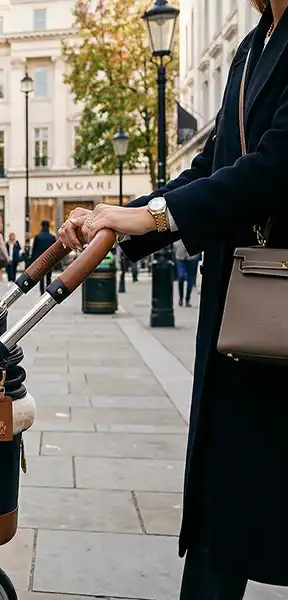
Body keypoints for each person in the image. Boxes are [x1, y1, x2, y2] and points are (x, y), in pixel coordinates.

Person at [59, 1, 288, 595]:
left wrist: (147, 218)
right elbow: (215, 165)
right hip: (244, 303)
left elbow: (272, 170)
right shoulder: (253, 44)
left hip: (275, 298)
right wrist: (120, 218)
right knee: (222, 493)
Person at [29, 220, 56, 292]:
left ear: (41, 226)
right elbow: (55, 249)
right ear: (49, 226)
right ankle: (48, 291)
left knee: (41, 277)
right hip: (50, 258)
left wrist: (32, 260)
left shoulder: (37, 237)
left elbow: (34, 249)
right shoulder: (52, 237)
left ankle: (42, 291)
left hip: (40, 259)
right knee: (49, 276)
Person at [174, 239, 201, 307]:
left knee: (190, 279)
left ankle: (187, 299)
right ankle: (181, 298)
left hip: (192, 257)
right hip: (180, 255)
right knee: (181, 277)